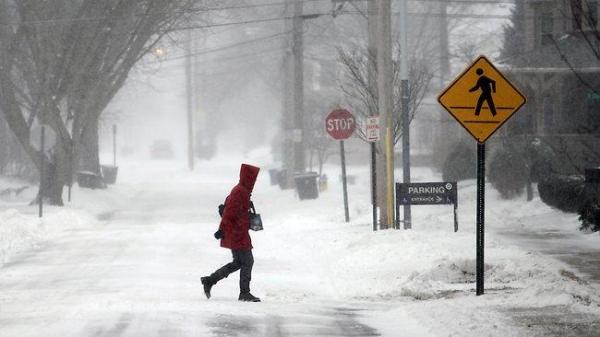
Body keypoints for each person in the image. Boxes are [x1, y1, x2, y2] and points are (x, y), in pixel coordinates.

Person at [201, 164, 261, 302]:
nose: (254, 181)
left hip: (238, 232)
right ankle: (244, 293)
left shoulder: (241, 191)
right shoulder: (240, 191)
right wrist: (223, 229)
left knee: (238, 262)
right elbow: (229, 212)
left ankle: (210, 280)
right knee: (247, 261)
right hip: (237, 233)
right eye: (253, 178)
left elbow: (230, 209)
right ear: (248, 178)